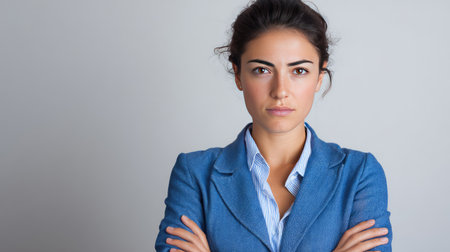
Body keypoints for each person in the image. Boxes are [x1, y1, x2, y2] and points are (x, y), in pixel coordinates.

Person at [155, 0, 392, 251]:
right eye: (262, 70)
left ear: (319, 76)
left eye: (299, 71)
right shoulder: (194, 174)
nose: (280, 91)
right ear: (238, 75)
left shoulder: (359, 175)